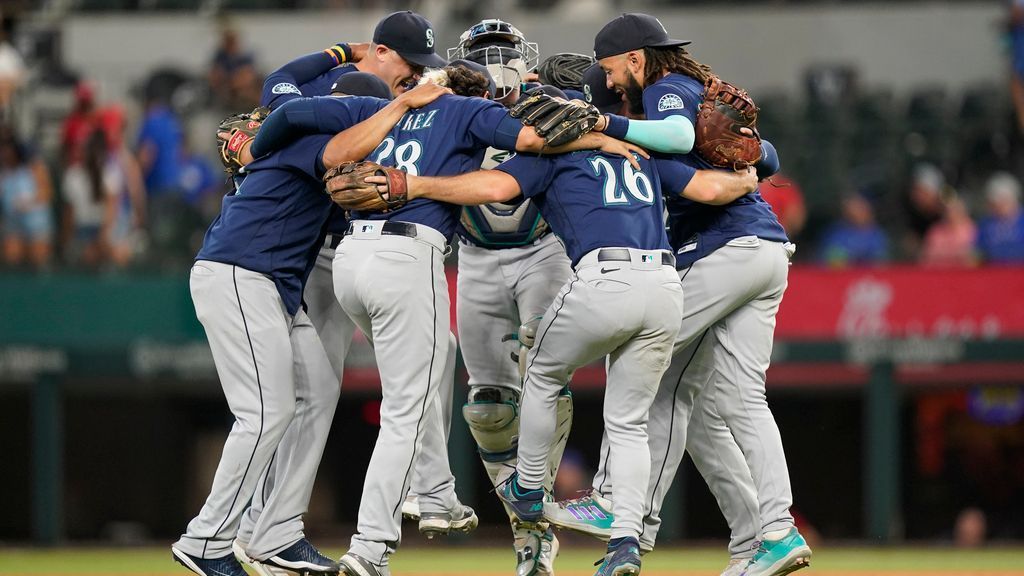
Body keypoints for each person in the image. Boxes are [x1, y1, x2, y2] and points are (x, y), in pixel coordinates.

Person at [251, 65, 639, 576]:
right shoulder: (467, 109)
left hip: (349, 259)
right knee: (406, 408)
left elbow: (289, 115)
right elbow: (530, 136)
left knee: (433, 367)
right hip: (407, 255)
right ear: (472, 90)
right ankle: (372, 547)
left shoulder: (376, 107)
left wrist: (252, 147)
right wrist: (597, 136)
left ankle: (436, 491)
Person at [355, 137, 756, 576]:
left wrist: (412, 185)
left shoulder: (551, 151)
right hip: (662, 283)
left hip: (590, 273)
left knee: (543, 374)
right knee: (623, 421)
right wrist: (749, 174)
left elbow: (492, 190)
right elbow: (706, 186)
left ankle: (528, 490)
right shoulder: (640, 148)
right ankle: (626, 540)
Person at [549, 14, 809, 576]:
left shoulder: (665, 94)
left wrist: (607, 125)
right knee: (732, 403)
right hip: (763, 253)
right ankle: (774, 534)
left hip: (722, 249)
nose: (612, 84)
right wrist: (754, 159)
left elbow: (686, 143)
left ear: (637, 59)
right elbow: (767, 155)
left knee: (644, 364)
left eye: (613, 70)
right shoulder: (676, 99)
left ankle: (620, 507)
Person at [170, 80, 451, 576]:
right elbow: (319, 130)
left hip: (272, 287)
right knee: (265, 413)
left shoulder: (326, 152)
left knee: (319, 389)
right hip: (239, 272)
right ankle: (207, 539)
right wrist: (393, 95)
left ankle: (276, 531)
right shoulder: (309, 139)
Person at [0, 129, 52, 268]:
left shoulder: (35, 168)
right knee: (11, 254)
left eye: (7, 149)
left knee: (37, 256)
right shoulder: (3, 173)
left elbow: (46, 193)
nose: (4, 153)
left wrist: (28, 203)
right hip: (13, 226)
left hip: (36, 226)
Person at [818, 192, 888, 266]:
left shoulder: (877, 235)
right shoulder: (836, 234)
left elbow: (881, 262)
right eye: (854, 209)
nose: (858, 213)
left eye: (861, 208)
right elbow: (832, 263)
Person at [976, 171, 1024, 263]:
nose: (997, 206)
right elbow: (978, 250)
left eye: (1002, 201)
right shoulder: (986, 223)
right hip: (993, 273)